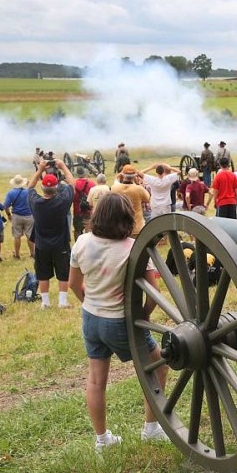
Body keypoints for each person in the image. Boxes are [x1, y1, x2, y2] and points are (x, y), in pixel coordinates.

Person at [69, 192, 169, 452]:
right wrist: (145, 315)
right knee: (158, 366)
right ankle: (151, 428)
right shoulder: (133, 248)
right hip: (120, 321)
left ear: (98, 215)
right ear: (127, 217)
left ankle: (102, 440)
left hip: (91, 318)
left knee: (96, 381)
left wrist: (89, 303)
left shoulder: (81, 242)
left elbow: (73, 284)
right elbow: (154, 293)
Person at [27, 159, 74, 308]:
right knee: (63, 272)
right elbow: (72, 184)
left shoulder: (36, 203)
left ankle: (45, 303)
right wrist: (63, 166)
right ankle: (62, 301)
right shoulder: (62, 201)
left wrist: (40, 170)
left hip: (41, 244)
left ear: (43, 188)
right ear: (56, 187)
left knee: (42, 273)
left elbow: (29, 187)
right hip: (61, 243)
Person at [111, 164, 150, 238]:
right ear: (135, 176)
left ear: (123, 175)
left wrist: (119, 175)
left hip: (120, 227)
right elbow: (148, 198)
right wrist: (138, 183)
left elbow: (116, 180)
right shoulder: (138, 189)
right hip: (137, 227)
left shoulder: (114, 188)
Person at [3, 174, 34, 259]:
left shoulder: (11, 193)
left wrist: (9, 215)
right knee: (30, 235)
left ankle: (17, 254)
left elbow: (5, 206)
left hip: (17, 216)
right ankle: (33, 253)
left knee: (17, 236)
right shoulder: (28, 192)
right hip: (29, 215)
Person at [71, 167, 95, 240]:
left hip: (77, 211)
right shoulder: (91, 184)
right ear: (85, 173)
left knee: (77, 231)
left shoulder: (73, 184)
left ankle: (78, 245)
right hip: (88, 211)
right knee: (89, 231)